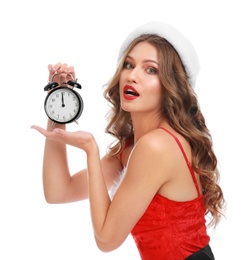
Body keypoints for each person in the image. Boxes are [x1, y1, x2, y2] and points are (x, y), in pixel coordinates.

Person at [31, 21, 225, 259]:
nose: (133, 76)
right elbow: (59, 191)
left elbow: (106, 238)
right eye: (129, 65)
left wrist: (91, 150)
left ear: (171, 85)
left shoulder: (157, 146)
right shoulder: (133, 147)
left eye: (151, 69)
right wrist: (59, 102)